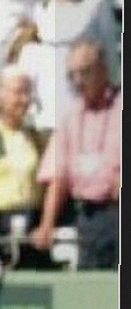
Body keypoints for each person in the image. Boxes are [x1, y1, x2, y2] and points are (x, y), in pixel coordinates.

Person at [30, 41, 121, 269]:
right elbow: (58, 177)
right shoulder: (70, 117)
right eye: (72, 75)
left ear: (104, 70)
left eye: (85, 72)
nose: (78, 81)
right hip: (87, 218)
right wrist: (47, 224)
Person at [19, 0, 121, 133]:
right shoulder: (40, 7)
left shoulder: (94, 2)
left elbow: (110, 58)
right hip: (46, 113)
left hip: (85, 109)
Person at [0, 66, 46, 256]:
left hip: (31, 221)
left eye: (28, 93)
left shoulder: (35, 137)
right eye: (18, 92)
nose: (24, 100)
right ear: (1, 96)